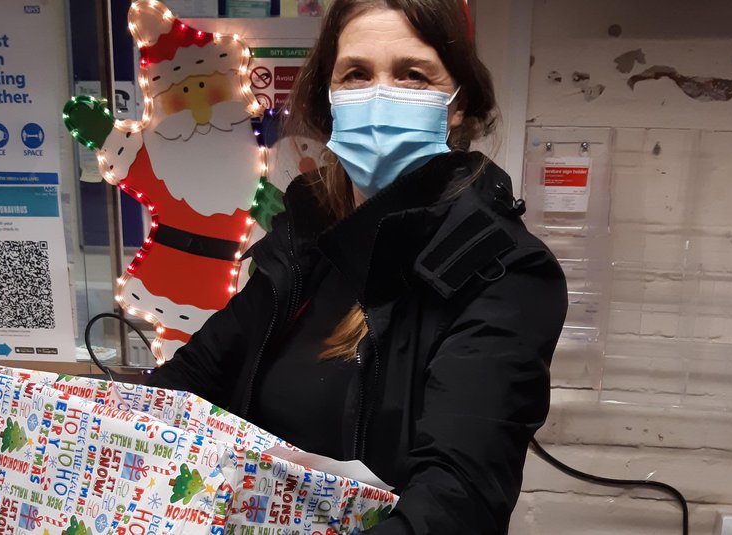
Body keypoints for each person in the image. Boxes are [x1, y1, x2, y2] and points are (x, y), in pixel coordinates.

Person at [144, 0, 568, 532]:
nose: (380, 95)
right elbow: (194, 377)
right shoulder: (306, 239)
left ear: (456, 104)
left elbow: (458, 501)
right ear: (329, 97)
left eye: (413, 75)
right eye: (356, 74)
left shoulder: (505, 271)